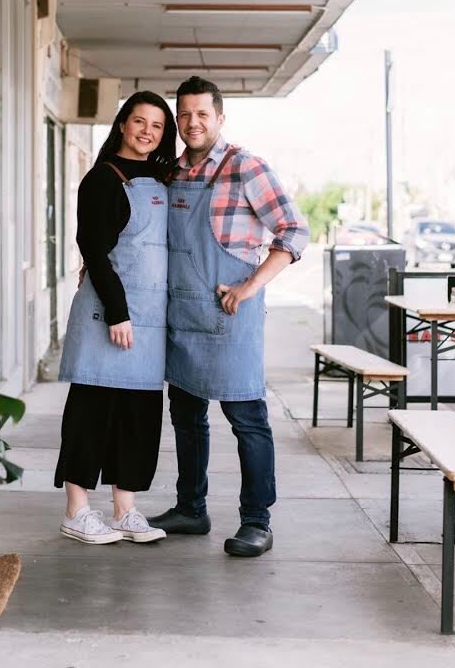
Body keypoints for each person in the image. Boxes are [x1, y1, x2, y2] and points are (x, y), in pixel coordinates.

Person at [149, 76, 310, 557]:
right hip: (182, 314)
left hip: (229, 314)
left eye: (202, 114)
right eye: (184, 114)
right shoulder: (171, 173)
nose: (192, 122)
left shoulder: (246, 168)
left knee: (247, 419)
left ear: (220, 118)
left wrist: (250, 284)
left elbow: (294, 232)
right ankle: (190, 509)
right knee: (185, 417)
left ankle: (257, 520)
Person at [56, 91, 177, 545]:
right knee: (92, 414)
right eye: (139, 121)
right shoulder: (103, 179)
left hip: (150, 318)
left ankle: (125, 510)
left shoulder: (164, 179)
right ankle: (77, 510)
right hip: (109, 313)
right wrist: (118, 312)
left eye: (158, 126)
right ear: (122, 124)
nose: (147, 131)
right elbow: (95, 252)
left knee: (138, 416)